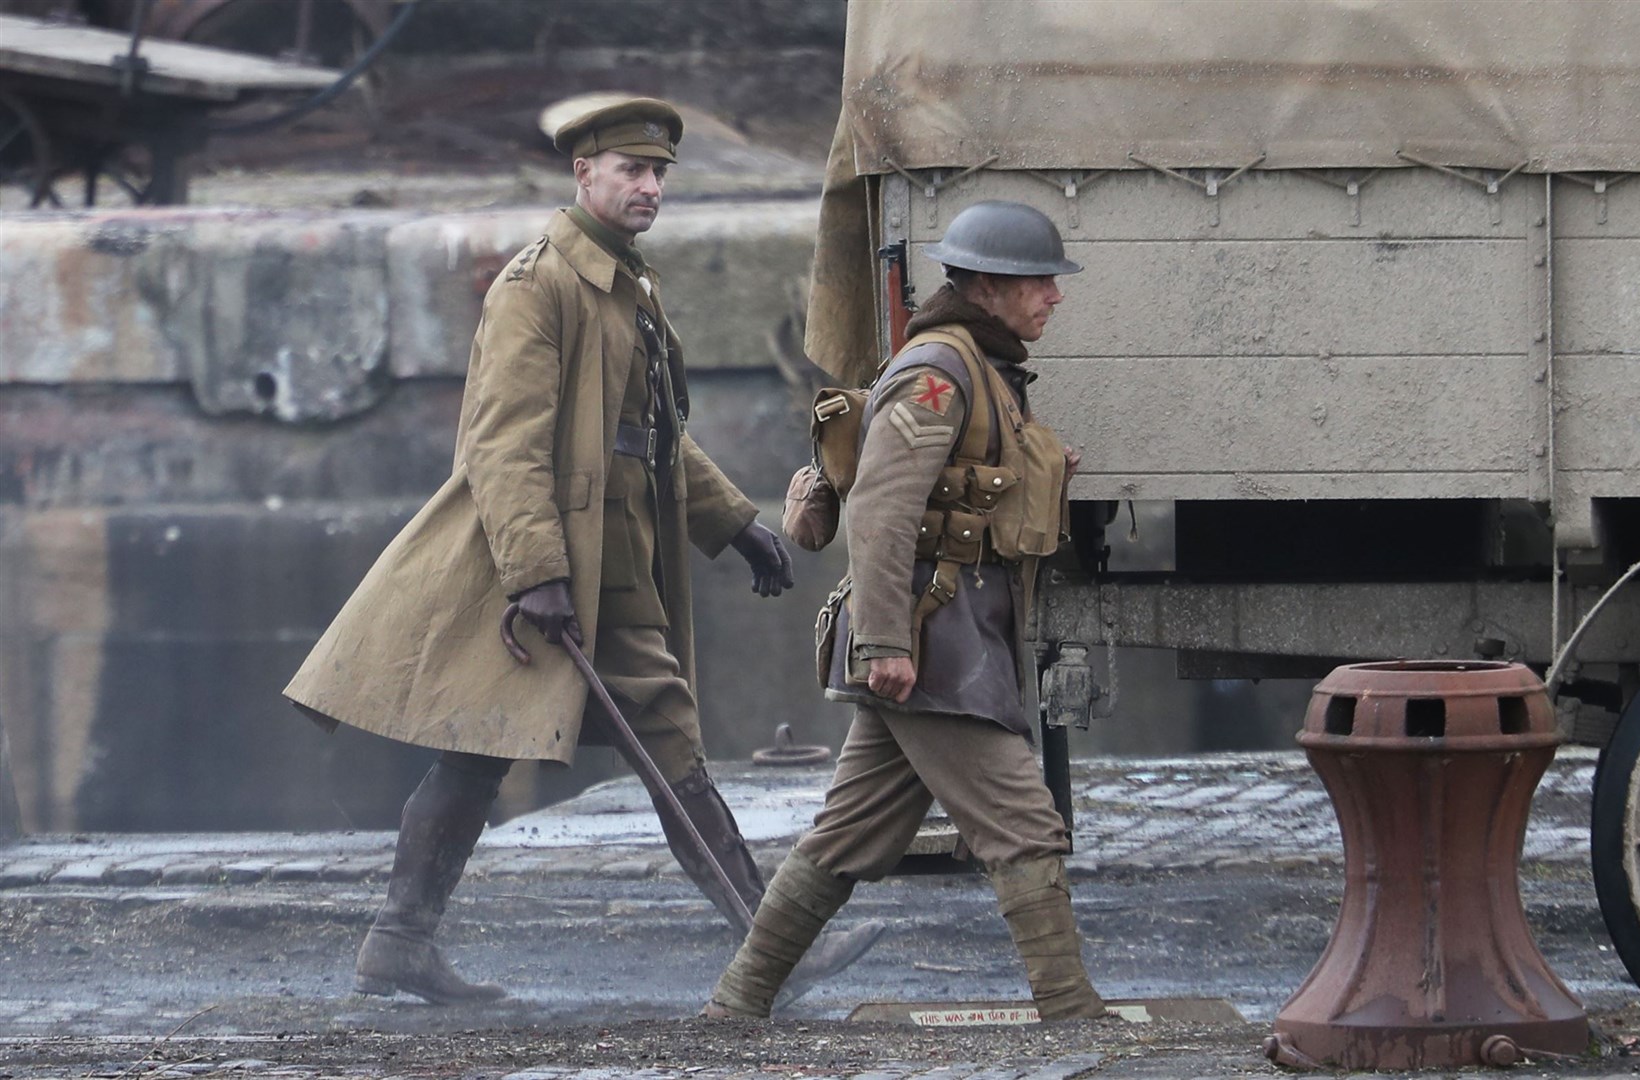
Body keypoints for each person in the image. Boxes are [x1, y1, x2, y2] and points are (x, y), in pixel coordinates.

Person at [283, 96, 881, 1006]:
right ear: (583, 174)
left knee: (482, 750)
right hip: (558, 567)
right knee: (660, 733)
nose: (648, 188)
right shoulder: (539, 287)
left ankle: (398, 941)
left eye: (659, 174)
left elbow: (655, 434)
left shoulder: (626, 284)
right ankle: (775, 946)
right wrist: (539, 578)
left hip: (615, 552)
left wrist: (737, 524)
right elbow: (502, 444)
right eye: (631, 171)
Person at [706, 201, 1109, 1021]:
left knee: (845, 838)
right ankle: (1072, 1010)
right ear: (990, 287)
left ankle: (735, 1005)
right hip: (934, 643)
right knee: (1024, 826)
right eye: (1040, 283)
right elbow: (884, 508)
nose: (1054, 298)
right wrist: (885, 642)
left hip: (948, 635)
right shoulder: (938, 371)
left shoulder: (980, 366)